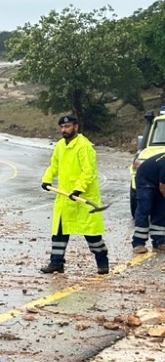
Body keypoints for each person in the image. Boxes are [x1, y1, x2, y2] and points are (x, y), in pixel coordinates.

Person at [40, 115, 109, 274]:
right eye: (62, 127)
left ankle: (102, 263)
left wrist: (78, 189)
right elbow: (54, 166)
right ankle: (56, 263)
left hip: (84, 199)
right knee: (59, 232)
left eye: (67, 127)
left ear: (76, 127)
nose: (64, 130)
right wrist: (47, 179)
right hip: (65, 198)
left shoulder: (84, 146)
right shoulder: (60, 146)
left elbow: (88, 172)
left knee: (91, 234)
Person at [131, 153, 165, 255]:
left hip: (157, 179)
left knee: (161, 210)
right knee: (145, 208)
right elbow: (163, 187)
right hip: (145, 178)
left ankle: (159, 242)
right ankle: (138, 243)